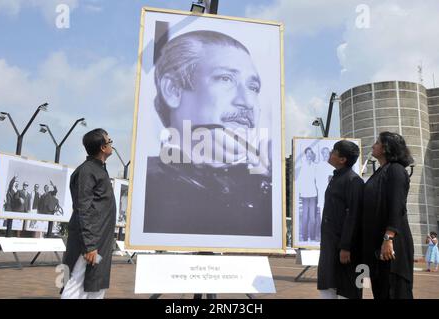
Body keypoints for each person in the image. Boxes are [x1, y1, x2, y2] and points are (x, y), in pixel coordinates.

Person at [143, 30, 272, 236]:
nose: (247, 102)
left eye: (253, 87)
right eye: (226, 79)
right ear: (173, 90)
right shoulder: (147, 187)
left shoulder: (263, 190)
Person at [61, 128, 116, 299]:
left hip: (101, 240)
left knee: (96, 284)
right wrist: (90, 245)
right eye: (109, 141)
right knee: (75, 284)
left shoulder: (99, 169)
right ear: (102, 147)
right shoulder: (87, 171)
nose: (111, 144)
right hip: (88, 243)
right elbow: (83, 209)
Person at [362, 131, 414, 299]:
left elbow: (396, 206)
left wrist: (388, 237)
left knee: (394, 291)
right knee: (381, 291)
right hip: (379, 244)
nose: (373, 146)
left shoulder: (396, 171)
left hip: (392, 244)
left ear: (385, 148)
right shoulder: (380, 171)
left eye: (377, 142)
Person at [317, 141, 363, 299]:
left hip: (343, 248)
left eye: (334, 151)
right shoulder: (336, 178)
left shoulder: (353, 181)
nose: (330, 153)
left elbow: (354, 216)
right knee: (328, 284)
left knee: (348, 288)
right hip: (330, 245)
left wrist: (346, 246)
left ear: (342, 159)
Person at [297, 147, 318, 242]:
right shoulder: (302, 165)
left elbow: (317, 179)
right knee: (305, 216)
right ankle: (305, 237)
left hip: (313, 194)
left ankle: (312, 237)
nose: (309, 155)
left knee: (312, 217)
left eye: (310, 153)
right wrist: (300, 192)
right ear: (305, 155)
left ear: (312, 154)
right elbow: (300, 180)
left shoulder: (314, 166)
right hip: (305, 194)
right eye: (307, 153)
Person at [315, 146, 333, 241]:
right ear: (322, 154)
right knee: (323, 211)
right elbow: (317, 180)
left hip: (334, 194)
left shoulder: (333, 165)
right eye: (324, 153)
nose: (326, 155)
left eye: (327, 153)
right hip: (323, 191)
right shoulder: (319, 166)